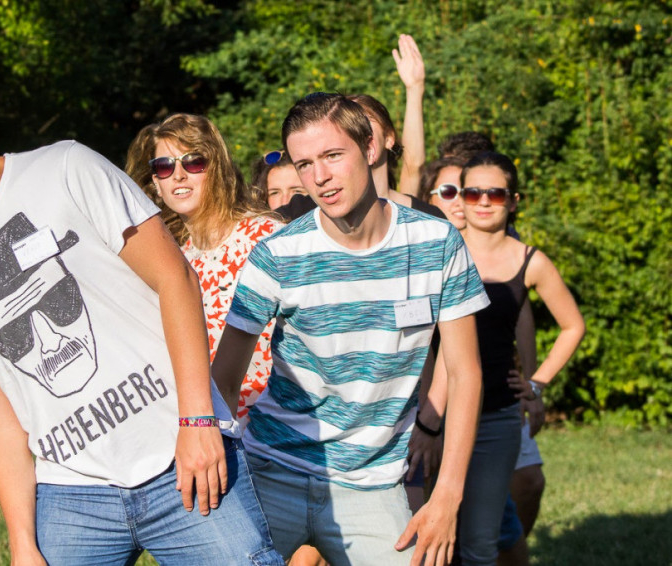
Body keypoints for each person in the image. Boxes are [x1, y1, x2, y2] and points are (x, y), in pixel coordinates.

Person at [0, 50, 283, 565]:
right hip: (71, 495)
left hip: (181, 451)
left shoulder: (65, 167)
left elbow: (175, 280)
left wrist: (197, 421)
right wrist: (21, 542)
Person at [211, 92, 490, 565]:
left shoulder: (437, 242)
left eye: (332, 155)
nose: (319, 176)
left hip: (374, 485)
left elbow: (466, 373)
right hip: (271, 470)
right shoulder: (278, 253)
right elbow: (224, 377)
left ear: (370, 148)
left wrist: (447, 495)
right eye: (304, 164)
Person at [433, 151, 585, 565]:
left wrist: (536, 383)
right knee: (428, 536)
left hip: (495, 418)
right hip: (434, 416)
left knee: (480, 544)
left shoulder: (529, 261)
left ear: (514, 201)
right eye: (473, 192)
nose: (483, 201)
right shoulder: (438, 249)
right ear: (459, 198)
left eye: (495, 194)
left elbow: (573, 326)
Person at [126, 113, 284, 425]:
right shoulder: (173, 263)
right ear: (156, 183)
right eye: (164, 166)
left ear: (217, 168)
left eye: (193, 162)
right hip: (216, 434)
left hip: (279, 433)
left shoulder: (267, 238)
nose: (178, 175)